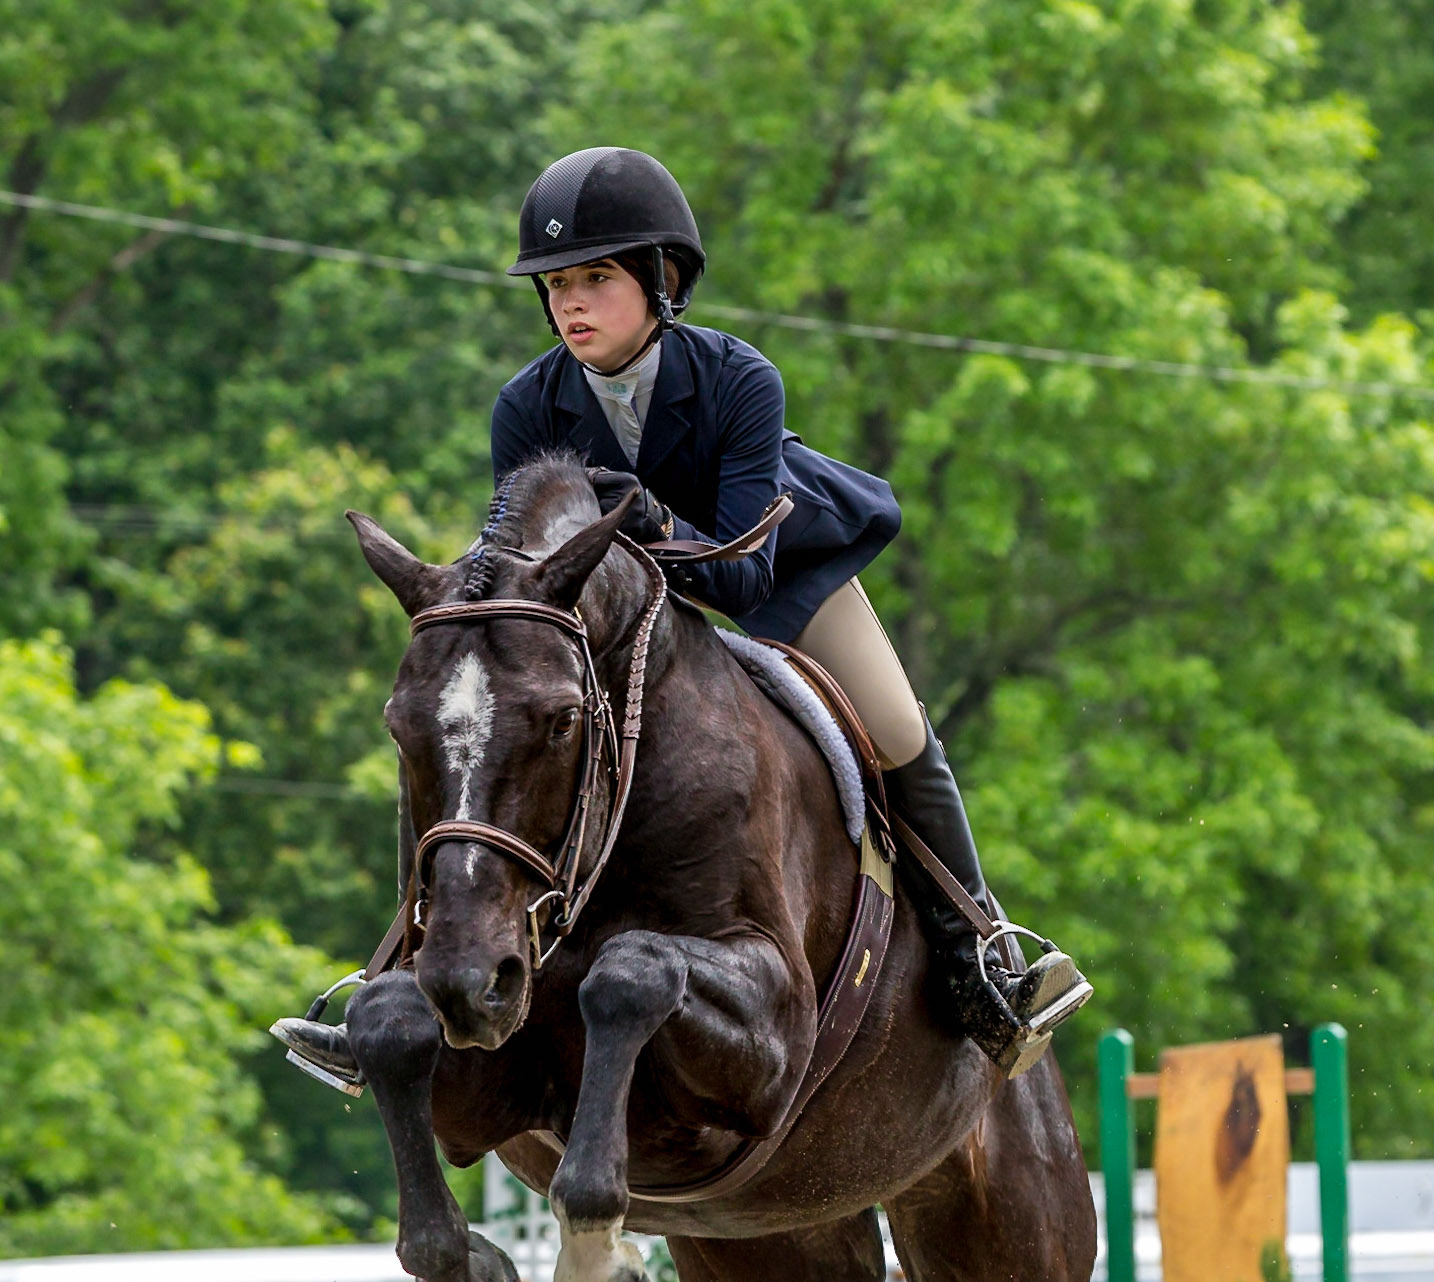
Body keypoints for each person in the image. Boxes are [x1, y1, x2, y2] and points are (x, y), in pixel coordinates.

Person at [275, 146, 1089, 1087]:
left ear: (662, 281)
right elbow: (524, 572)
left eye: (595, 279)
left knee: (901, 730)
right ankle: (402, 971)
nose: (570, 304)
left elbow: (742, 580)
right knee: (479, 740)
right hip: (621, 624)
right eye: (555, 286)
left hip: (778, 580)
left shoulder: (740, 380)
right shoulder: (526, 405)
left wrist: (649, 515)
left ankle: (979, 953)